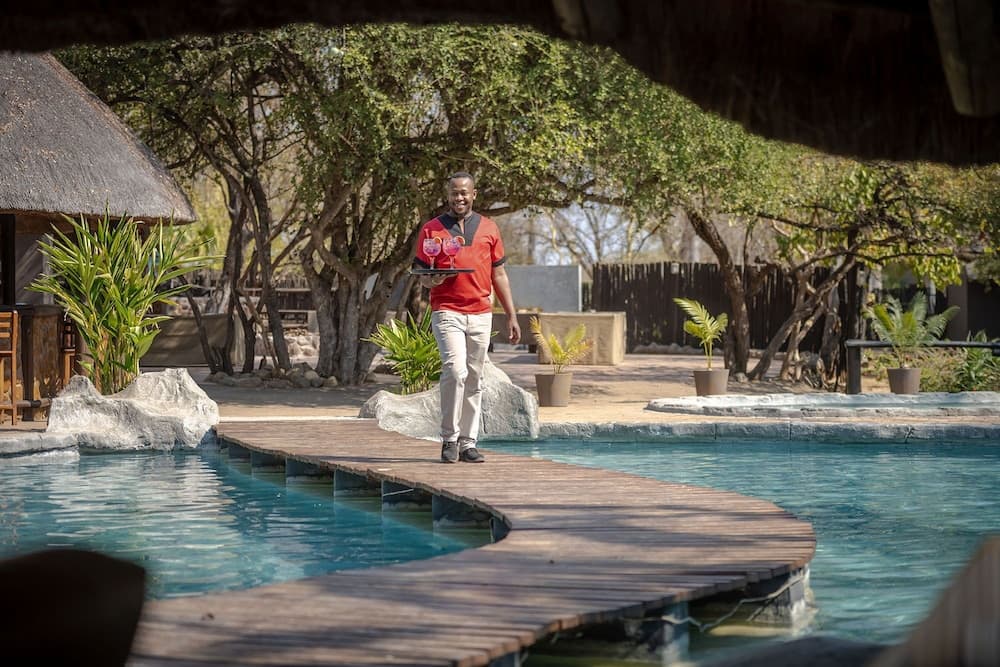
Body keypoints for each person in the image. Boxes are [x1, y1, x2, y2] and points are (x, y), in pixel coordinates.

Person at [413, 172, 520, 463]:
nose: (459, 197)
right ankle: (449, 438)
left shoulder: (489, 228)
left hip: (481, 313)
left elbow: (499, 274)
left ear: (473, 194)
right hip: (447, 310)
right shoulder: (432, 229)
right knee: (455, 371)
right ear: (448, 195)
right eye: (454, 193)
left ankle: (467, 443)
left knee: (475, 377)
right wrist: (433, 280)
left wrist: (511, 315)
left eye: (464, 193)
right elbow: (422, 274)